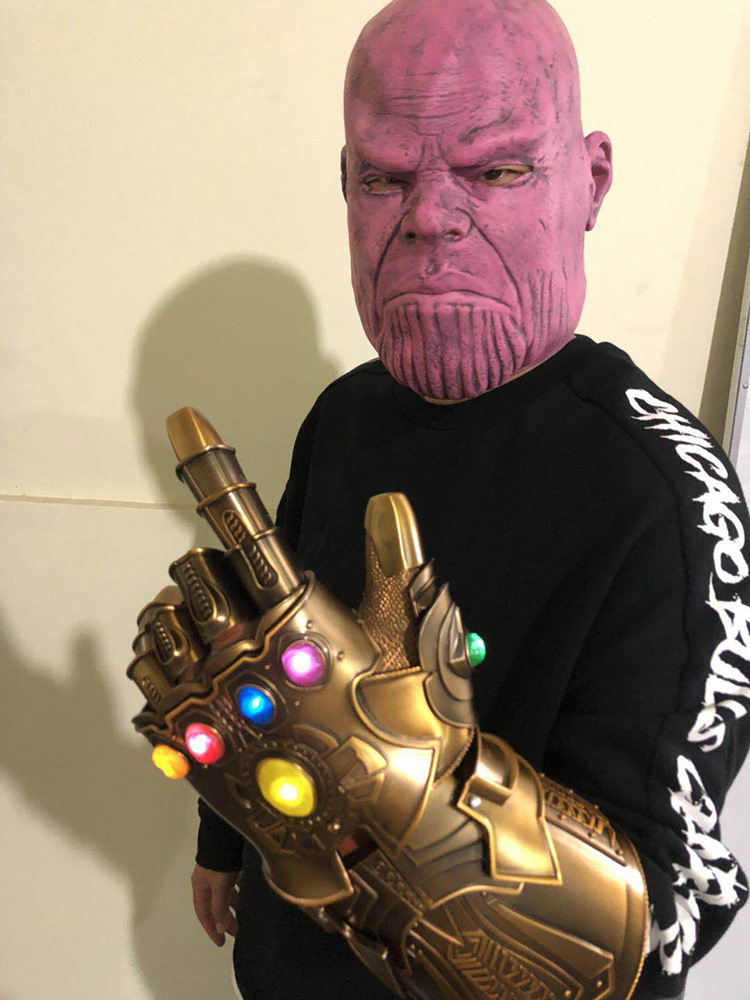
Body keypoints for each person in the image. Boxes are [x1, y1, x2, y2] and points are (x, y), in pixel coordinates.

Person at [187, 1, 750, 997]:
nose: (431, 218)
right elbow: (264, 658)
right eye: (384, 178)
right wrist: (225, 837)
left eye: (497, 171)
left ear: (591, 181)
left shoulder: (665, 496)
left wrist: (415, 804)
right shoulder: (345, 416)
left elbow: (652, 926)